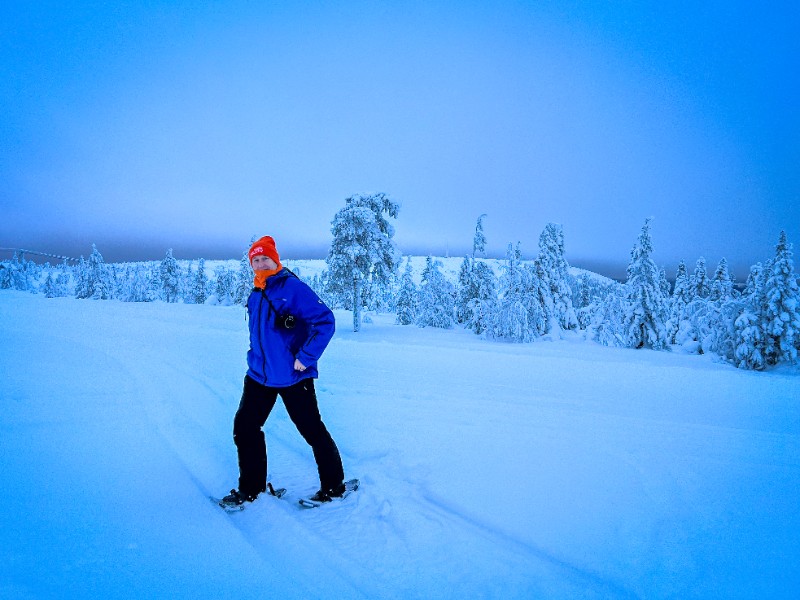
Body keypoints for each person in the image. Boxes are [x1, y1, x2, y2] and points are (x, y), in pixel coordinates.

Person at [220, 235, 345, 508]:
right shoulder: (257, 291)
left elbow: (326, 321)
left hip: (292, 375)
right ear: (251, 263)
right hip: (259, 376)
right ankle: (251, 490)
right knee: (245, 427)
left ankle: (334, 486)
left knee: (312, 430)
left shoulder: (292, 288)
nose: (261, 263)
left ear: (276, 260)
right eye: (256, 259)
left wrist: (306, 356)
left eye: (266, 258)